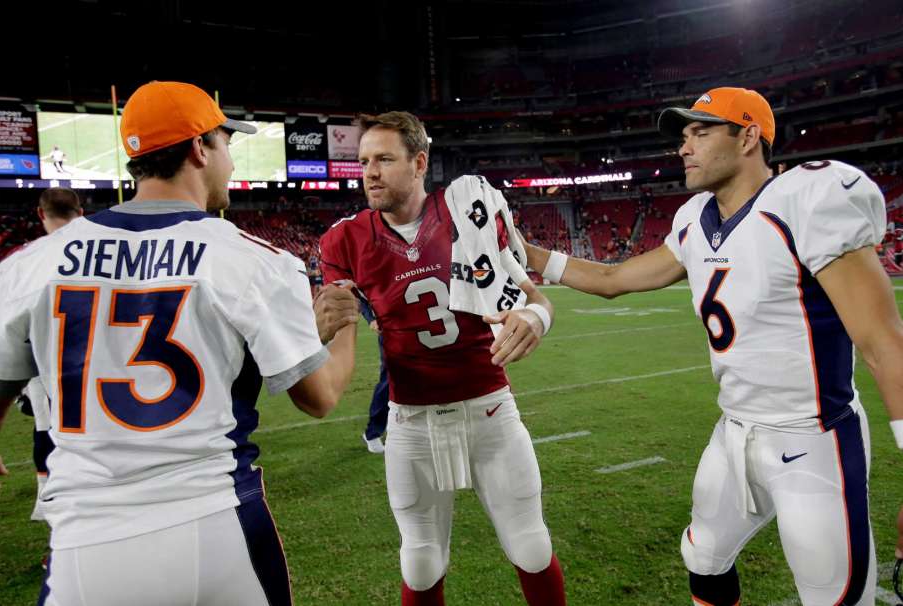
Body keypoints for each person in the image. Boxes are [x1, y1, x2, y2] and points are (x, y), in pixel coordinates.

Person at [0, 80, 359, 606]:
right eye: (226, 143)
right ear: (199, 148)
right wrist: (344, 327)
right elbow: (319, 397)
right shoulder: (254, 260)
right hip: (216, 524)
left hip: (87, 544)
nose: (231, 160)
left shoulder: (29, 266)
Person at [523, 87, 903, 605]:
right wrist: (524, 251)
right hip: (734, 432)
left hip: (814, 437)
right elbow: (614, 278)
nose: (685, 147)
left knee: (835, 598)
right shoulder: (695, 219)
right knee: (702, 556)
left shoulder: (806, 201)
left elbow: (882, 342)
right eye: (684, 136)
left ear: (748, 136)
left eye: (701, 132)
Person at [318, 111, 566, 606]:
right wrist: (318, 327)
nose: (369, 172)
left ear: (419, 162)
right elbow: (338, 344)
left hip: (490, 408)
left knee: (531, 545)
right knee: (421, 559)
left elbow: (536, 300)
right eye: (364, 160)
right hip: (410, 419)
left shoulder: (464, 212)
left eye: (384, 159)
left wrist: (534, 321)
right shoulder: (344, 238)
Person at [359, 298, 389, 454]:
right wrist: (371, 318)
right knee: (389, 380)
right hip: (392, 327)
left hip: (418, 321)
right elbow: (358, 292)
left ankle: (397, 422)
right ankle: (372, 432)